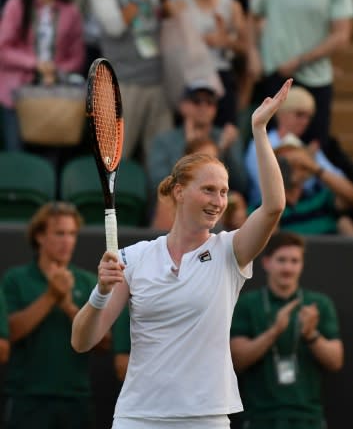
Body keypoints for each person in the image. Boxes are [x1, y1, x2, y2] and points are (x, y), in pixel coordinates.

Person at [71, 78, 293, 429]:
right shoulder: (134, 257)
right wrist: (100, 292)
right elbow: (82, 341)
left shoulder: (229, 252)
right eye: (208, 190)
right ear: (178, 192)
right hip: (138, 417)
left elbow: (274, 207)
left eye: (223, 192)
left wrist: (259, 129)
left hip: (206, 418)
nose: (218, 201)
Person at [0, 202, 111, 429]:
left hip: (76, 400)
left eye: (72, 234)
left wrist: (69, 307)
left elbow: (105, 343)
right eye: (60, 233)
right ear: (40, 236)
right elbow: (9, 333)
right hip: (26, 399)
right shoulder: (15, 279)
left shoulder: (89, 281)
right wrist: (51, 297)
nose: (67, 241)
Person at [248, 0, 353, 148]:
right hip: (276, 77)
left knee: (313, 151)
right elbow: (253, 17)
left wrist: (301, 60)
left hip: (316, 80)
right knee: (273, 150)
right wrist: (253, 53)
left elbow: (341, 35)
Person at [230, 230, 344, 429]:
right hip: (260, 418)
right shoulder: (248, 303)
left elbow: (336, 361)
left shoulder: (318, 304)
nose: (288, 268)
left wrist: (311, 335)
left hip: (309, 419)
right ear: (266, 263)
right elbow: (236, 361)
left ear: (302, 265)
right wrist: (274, 331)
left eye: (294, 261)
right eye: (281, 260)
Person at [88, 0, 173, 163]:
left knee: (161, 162)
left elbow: (166, 20)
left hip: (157, 82)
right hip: (122, 85)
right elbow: (114, 27)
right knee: (115, 160)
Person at [0, 0, 85, 152]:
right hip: (16, 93)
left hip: (57, 95)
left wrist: (57, 70)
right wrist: (36, 64)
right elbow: (3, 48)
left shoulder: (70, 11)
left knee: (53, 152)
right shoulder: (16, 6)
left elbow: (78, 55)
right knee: (16, 153)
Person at [146, 80, 249, 218]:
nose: (203, 106)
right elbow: (159, 184)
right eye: (197, 101)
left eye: (210, 102)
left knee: (237, 201)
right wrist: (187, 152)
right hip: (176, 204)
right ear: (183, 105)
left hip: (215, 202)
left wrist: (225, 151)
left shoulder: (225, 137)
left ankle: (233, 239)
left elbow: (241, 184)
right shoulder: (164, 140)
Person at [171, 0, 248, 129]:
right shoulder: (180, 6)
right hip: (191, 75)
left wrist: (226, 41)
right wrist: (201, 40)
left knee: (224, 130)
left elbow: (244, 46)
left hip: (221, 74)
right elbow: (173, 46)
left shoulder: (231, 6)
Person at [245, 85, 345, 206]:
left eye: (309, 116)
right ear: (281, 113)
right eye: (299, 114)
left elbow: (340, 181)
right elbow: (264, 187)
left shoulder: (307, 147)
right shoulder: (259, 143)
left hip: (309, 210)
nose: (305, 121)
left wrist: (312, 165)